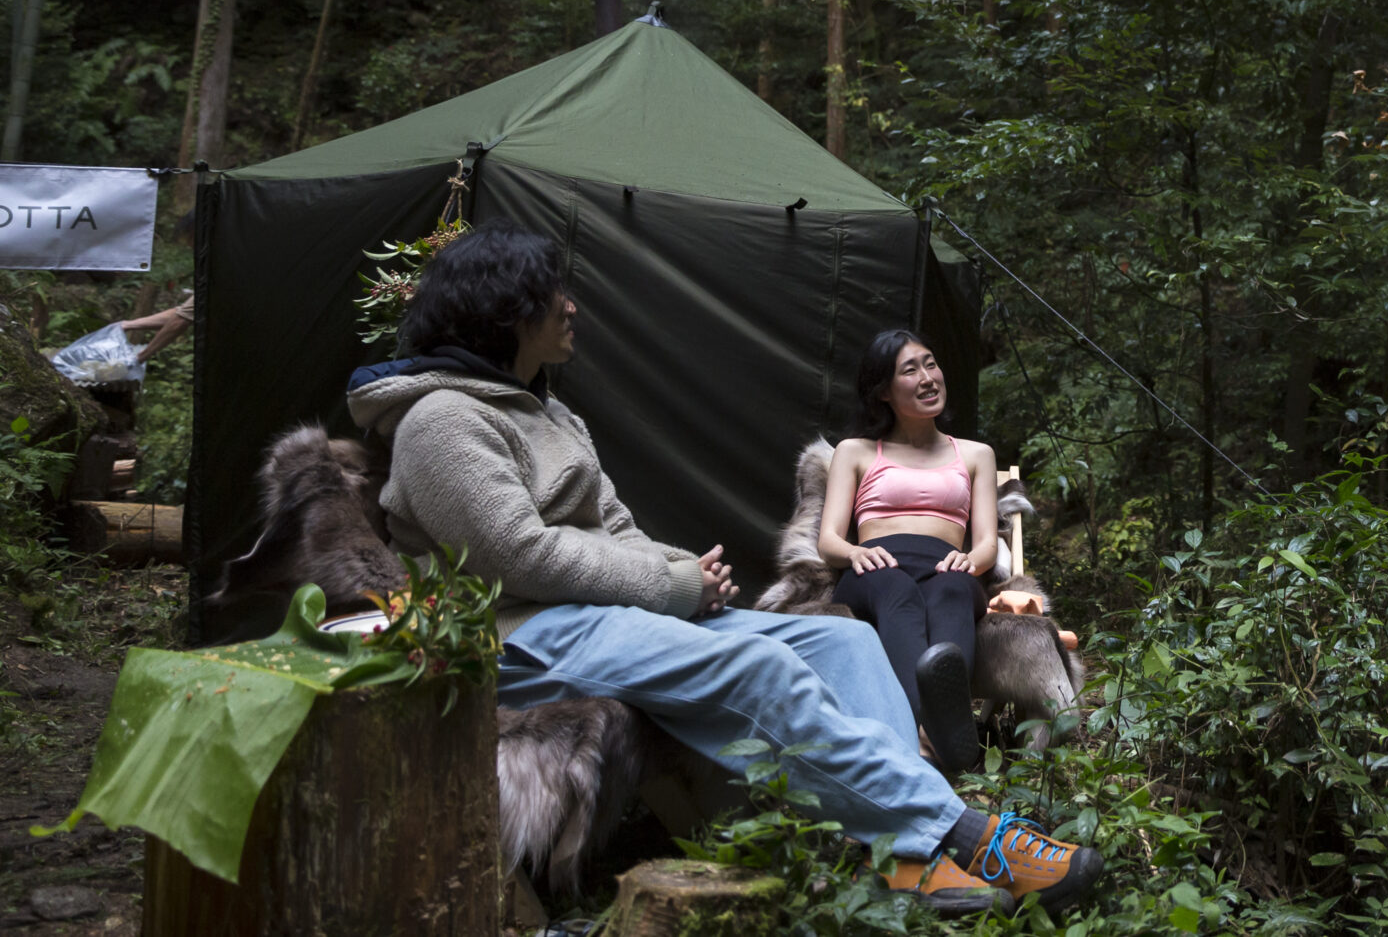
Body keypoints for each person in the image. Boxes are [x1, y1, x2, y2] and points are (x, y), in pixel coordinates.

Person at [343, 220, 1102, 916]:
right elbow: (518, 554)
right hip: (521, 633)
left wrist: (682, 572)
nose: (572, 307)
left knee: (843, 641)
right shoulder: (440, 421)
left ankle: (901, 856)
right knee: (755, 665)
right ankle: (962, 832)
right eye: (556, 293)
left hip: (601, 617)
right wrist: (672, 584)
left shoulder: (550, 415)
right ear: (506, 308)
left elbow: (614, 529)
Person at [814, 330, 999, 773]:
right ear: (882, 391)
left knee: (955, 590)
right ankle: (934, 731)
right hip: (877, 567)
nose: (928, 377)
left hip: (947, 566)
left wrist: (972, 561)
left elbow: (988, 539)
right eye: (910, 370)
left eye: (931, 363)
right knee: (897, 591)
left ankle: (925, 742)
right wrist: (855, 555)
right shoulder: (856, 451)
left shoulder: (975, 454)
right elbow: (829, 540)